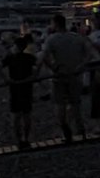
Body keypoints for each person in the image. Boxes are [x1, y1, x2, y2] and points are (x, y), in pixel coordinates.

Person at [39, 14, 99, 142]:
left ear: (55, 24)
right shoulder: (77, 38)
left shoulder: (51, 39)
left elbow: (43, 57)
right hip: (75, 75)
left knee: (60, 105)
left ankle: (66, 130)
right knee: (75, 104)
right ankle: (80, 130)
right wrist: (81, 66)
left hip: (59, 76)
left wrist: (53, 68)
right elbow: (90, 54)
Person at [0, 35, 37, 149]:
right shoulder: (29, 57)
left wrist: (6, 79)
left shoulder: (10, 57)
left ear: (15, 46)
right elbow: (37, 66)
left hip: (14, 87)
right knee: (27, 115)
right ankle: (26, 138)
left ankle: (19, 140)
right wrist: (33, 77)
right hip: (27, 87)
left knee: (16, 116)